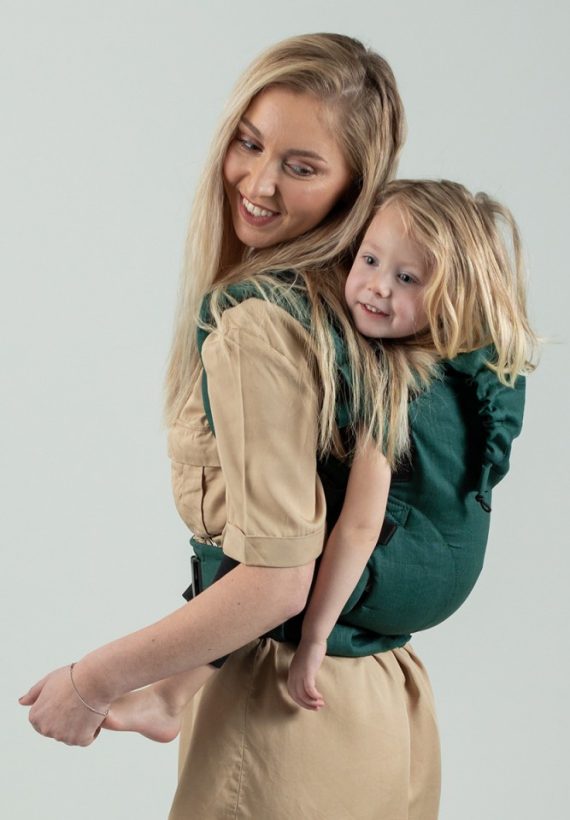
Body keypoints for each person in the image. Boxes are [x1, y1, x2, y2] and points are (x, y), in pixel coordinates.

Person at [21, 33, 446, 820]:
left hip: (284, 718)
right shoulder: (378, 320)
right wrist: (171, 691)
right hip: (388, 706)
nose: (258, 182)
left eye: (302, 166)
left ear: (355, 190)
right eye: (249, 143)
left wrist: (93, 681)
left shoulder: (261, 326)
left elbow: (276, 580)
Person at [100, 178, 536, 729]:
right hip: (440, 566)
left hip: (418, 572)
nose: (376, 287)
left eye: (406, 278)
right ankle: (170, 694)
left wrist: (313, 639)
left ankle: (168, 699)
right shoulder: (459, 362)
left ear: (452, 298)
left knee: (276, 548)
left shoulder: (395, 381)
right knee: (283, 527)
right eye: (370, 260)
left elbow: (360, 527)